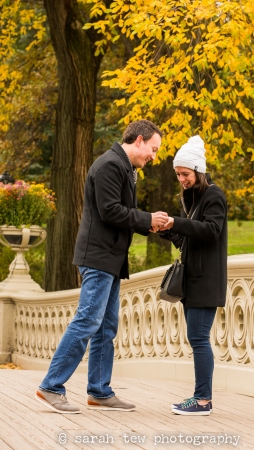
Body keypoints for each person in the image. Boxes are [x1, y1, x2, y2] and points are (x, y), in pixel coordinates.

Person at [35, 120, 169, 414]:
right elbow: (110, 210)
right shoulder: (110, 164)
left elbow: (120, 213)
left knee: (106, 326)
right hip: (98, 258)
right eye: (153, 149)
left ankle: (99, 391)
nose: (154, 156)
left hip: (109, 259)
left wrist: (150, 225)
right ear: (139, 141)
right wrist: (147, 219)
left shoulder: (125, 167)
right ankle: (51, 386)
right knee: (87, 321)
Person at [158, 135, 227, 416]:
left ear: (198, 170)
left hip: (206, 280)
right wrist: (166, 229)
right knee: (196, 337)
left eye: (185, 174)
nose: (181, 179)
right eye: (178, 175)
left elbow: (212, 231)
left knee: (198, 338)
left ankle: (202, 401)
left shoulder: (214, 195)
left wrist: (179, 222)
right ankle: (201, 399)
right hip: (194, 279)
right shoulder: (194, 198)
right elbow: (188, 240)